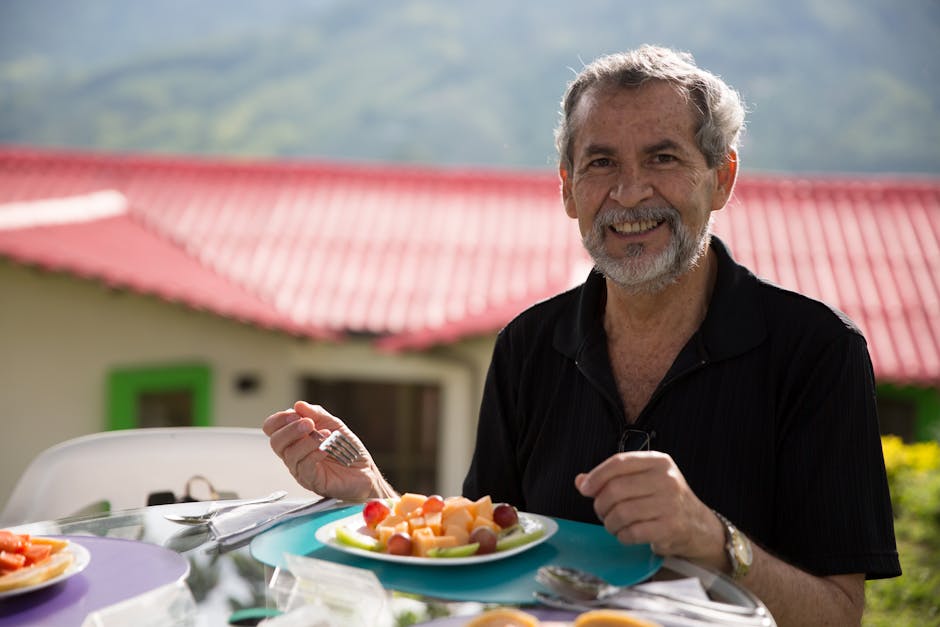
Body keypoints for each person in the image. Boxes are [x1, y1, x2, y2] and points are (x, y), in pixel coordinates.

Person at [263, 44, 900, 626]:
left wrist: (711, 540)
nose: (628, 191)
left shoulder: (817, 352)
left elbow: (840, 617)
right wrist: (374, 498)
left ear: (722, 178)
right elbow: (481, 563)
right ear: (569, 190)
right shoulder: (527, 346)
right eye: (600, 163)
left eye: (663, 157)